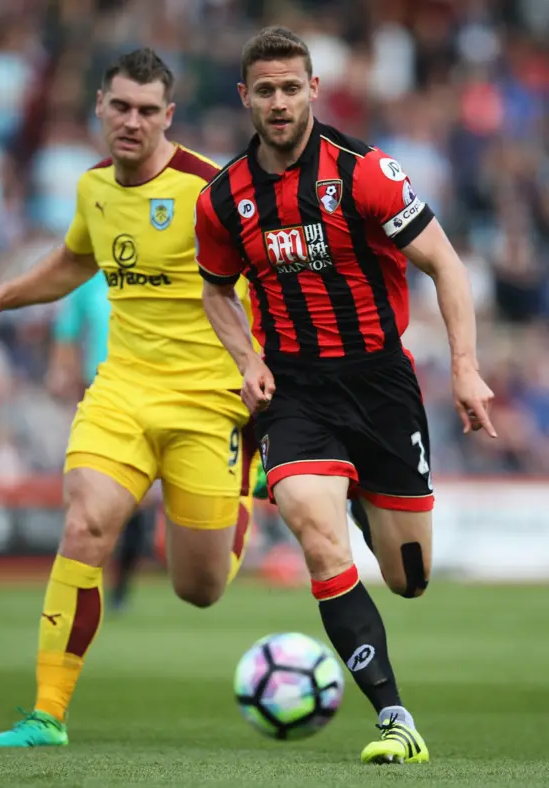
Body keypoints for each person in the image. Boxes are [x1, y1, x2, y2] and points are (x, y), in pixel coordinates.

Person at [0, 48, 258, 748]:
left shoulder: (215, 189)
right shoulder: (92, 188)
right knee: (85, 523)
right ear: (101, 109)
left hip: (208, 399)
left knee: (199, 589)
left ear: (169, 116)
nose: (132, 121)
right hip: (123, 389)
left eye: (147, 110)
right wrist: (0, 296)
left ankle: (241, 494)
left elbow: (267, 276)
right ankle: (47, 714)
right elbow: (76, 260)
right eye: (121, 107)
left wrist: (267, 372)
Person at [195, 27, 496, 765]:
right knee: (311, 527)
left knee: (408, 579)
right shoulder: (225, 197)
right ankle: (395, 718)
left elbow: (446, 265)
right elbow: (214, 288)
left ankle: (364, 499)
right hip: (294, 392)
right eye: (264, 90)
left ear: (313, 91)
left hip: (382, 386)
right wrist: (247, 359)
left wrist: (464, 367)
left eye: (290, 87)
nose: (278, 102)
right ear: (245, 97)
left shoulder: (364, 173)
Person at [47, 275, 149, 612]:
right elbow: (67, 333)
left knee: (136, 503)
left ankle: (121, 588)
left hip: (150, 392)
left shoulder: (154, 269)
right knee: (90, 497)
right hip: (101, 395)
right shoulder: (89, 282)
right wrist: (66, 377)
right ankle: (87, 581)